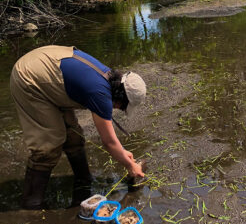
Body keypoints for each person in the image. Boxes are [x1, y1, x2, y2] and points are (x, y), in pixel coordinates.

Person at [10, 45, 146, 210]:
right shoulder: (100, 94)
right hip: (30, 79)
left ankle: (83, 179)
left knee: (73, 136)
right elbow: (109, 142)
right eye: (122, 106)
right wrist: (130, 165)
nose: (118, 109)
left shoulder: (109, 80)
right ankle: (31, 204)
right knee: (48, 147)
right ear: (120, 97)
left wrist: (123, 154)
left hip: (46, 70)